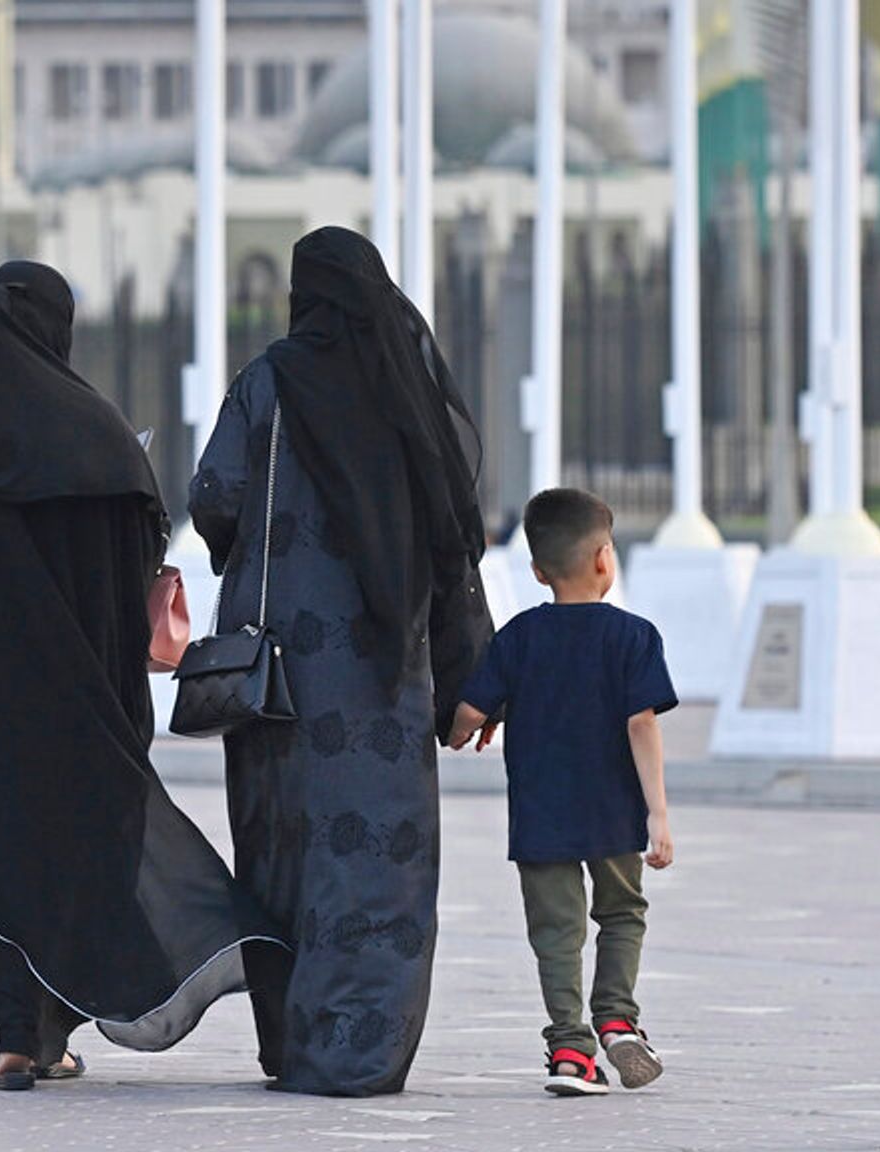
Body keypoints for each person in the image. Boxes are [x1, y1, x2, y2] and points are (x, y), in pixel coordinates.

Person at [0, 261, 280, 1092]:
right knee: (87, 854)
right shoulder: (101, 435)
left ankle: (16, 1038)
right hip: (90, 692)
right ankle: (54, 1026)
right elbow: (142, 563)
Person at [190, 227, 492, 1096]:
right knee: (380, 859)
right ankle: (361, 1053)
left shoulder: (269, 381)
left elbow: (215, 495)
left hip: (282, 676)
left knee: (285, 852)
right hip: (384, 674)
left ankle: (291, 1046)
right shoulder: (406, 388)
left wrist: (248, 547)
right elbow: (452, 538)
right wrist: (469, 677)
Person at [449, 488, 676, 1097]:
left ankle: (571, 1052)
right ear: (605, 558)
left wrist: (465, 728)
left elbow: (468, 713)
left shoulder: (519, 636)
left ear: (538, 571)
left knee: (556, 932)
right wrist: (657, 813)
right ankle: (618, 1019)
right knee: (621, 913)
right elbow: (641, 724)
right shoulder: (634, 636)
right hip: (614, 812)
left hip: (541, 815)